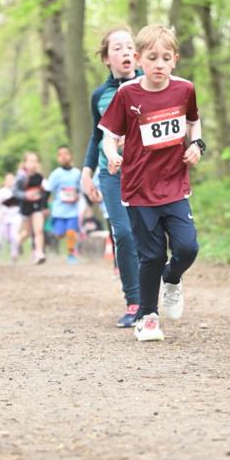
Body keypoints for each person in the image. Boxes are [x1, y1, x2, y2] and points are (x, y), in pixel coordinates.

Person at [99, 24, 204, 342]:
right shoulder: (127, 94)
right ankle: (147, 317)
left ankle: (172, 279)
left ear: (175, 60)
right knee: (152, 255)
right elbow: (110, 136)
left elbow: (193, 121)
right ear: (140, 59)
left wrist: (196, 145)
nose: (159, 64)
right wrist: (112, 156)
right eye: (152, 57)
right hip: (139, 189)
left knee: (187, 247)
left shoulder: (184, 89)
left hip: (174, 186)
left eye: (166, 58)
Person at [81, 26, 142, 327]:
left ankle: (158, 289)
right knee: (124, 234)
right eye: (117, 48)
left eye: (129, 46)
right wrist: (86, 171)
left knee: (152, 236)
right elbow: (96, 137)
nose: (125, 52)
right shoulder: (100, 96)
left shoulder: (151, 84)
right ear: (106, 58)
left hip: (148, 172)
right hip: (112, 173)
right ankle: (134, 303)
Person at [46, 145, 82, 263]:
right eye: (60, 155)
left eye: (66, 153)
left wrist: (78, 195)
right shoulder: (56, 174)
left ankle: (71, 254)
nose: (63, 157)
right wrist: (44, 206)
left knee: (71, 232)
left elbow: (81, 189)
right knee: (60, 234)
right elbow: (48, 190)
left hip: (72, 210)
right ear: (58, 158)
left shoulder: (77, 173)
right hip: (59, 211)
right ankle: (54, 237)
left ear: (71, 156)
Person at [14, 152, 48, 264]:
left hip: (37, 206)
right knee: (27, 232)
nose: (33, 164)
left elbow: (44, 192)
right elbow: (15, 192)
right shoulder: (21, 177)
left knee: (39, 229)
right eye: (30, 161)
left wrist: (45, 206)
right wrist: (26, 195)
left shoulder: (40, 177)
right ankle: (17, 242)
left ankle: (39, 253)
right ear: (25, 163)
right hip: (25, 206)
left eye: (35, 161)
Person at [0, 173, 21, 262]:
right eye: (8, 180)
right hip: (5, 217)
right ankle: (0, 247)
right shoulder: (2, 192)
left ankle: (14, 254)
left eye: (12, 180)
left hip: (15, 217)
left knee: (14, 235)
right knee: (7, 237)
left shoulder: (17, 191)